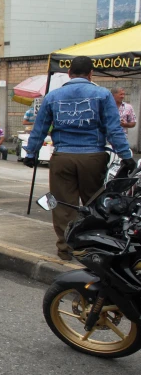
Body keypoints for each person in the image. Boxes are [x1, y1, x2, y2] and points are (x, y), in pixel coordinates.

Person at [25, 56, 134, 261]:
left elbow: (39, 128)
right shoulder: (102, 95)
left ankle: (66, 248)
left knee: (64, 204)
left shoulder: (52, 96)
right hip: (93, 157)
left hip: (62, 156)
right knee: (94, 203)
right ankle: (91, 246)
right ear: (91, 74)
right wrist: (126, 156)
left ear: (69, 73)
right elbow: (113, 129)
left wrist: (31, 153)